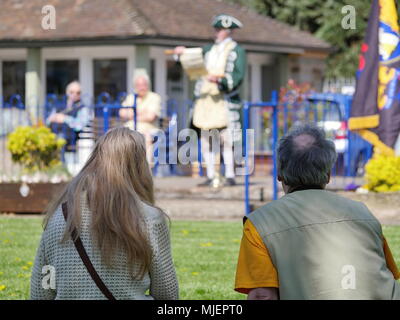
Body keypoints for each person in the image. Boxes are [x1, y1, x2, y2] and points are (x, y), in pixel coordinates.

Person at [235, 124, 400, 300]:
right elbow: (386, 273)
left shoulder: (260, 223)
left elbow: (262, 295)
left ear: (280, 174)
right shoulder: (364, 213)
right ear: (328, 174)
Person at [30, 127, 179, 300]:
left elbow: (41, 290)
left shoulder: (61, 216)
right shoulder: (149, 219)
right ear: (139, 167)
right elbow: (167, 294)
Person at [174, 14, 246, 186]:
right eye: (216, 29)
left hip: (223, 100)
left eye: (219, 30)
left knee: (226, 139)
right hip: (205, 101)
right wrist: (180, 54)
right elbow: (191, 61)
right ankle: (211, 174)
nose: (216, 32)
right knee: (206, 139)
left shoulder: (237, 51)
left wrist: (219, 80)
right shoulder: (208, 49)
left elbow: (238, 76)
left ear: (228, 31)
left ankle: (229, 175)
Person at [119, 73, 162, 165]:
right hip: (130, 129)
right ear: (135, 86)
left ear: (148, 85)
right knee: (121, 138)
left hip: (149, 130)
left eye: (144, 84)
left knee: (145, 137)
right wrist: (142, 112)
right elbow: (122, 112)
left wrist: (133, 113)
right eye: (139, 85)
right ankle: (126, 166)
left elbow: (151, 117)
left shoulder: (154, 97)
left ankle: (145, 168)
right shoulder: (131, 97)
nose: (141, 87)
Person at [46, 81, 91, 150]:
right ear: (67, 92)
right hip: (54, 134)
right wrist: (53, 118)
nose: (75, 94)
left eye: (78, 93)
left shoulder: (82, 108)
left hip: (71, 139)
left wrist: (65, 119)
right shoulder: (59, 105)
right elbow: (47, 121)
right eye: (72, 92)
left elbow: (80, 126)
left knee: (60, 138)